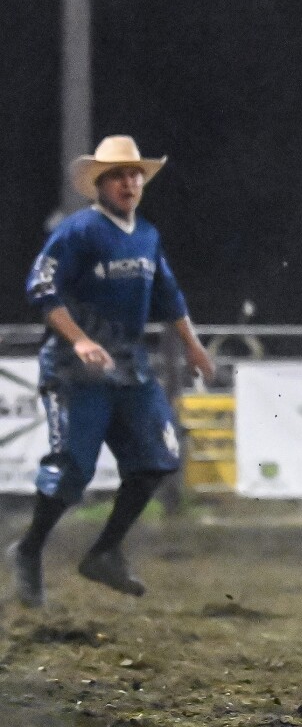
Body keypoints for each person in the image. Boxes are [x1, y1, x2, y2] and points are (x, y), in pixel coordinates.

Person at [9, 136, 215, 608]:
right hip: (74, 371)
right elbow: (41, 287)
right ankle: (29, 550)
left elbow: (170, 297)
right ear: (99, 185)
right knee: (71, 471)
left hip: (128, 366)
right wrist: (79, 339)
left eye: (135, 174)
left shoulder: (147, 236)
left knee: (158, 459)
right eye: (119, 175)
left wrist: (194, 348)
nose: (130, 182)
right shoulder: (79, 231)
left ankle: (104, 552)